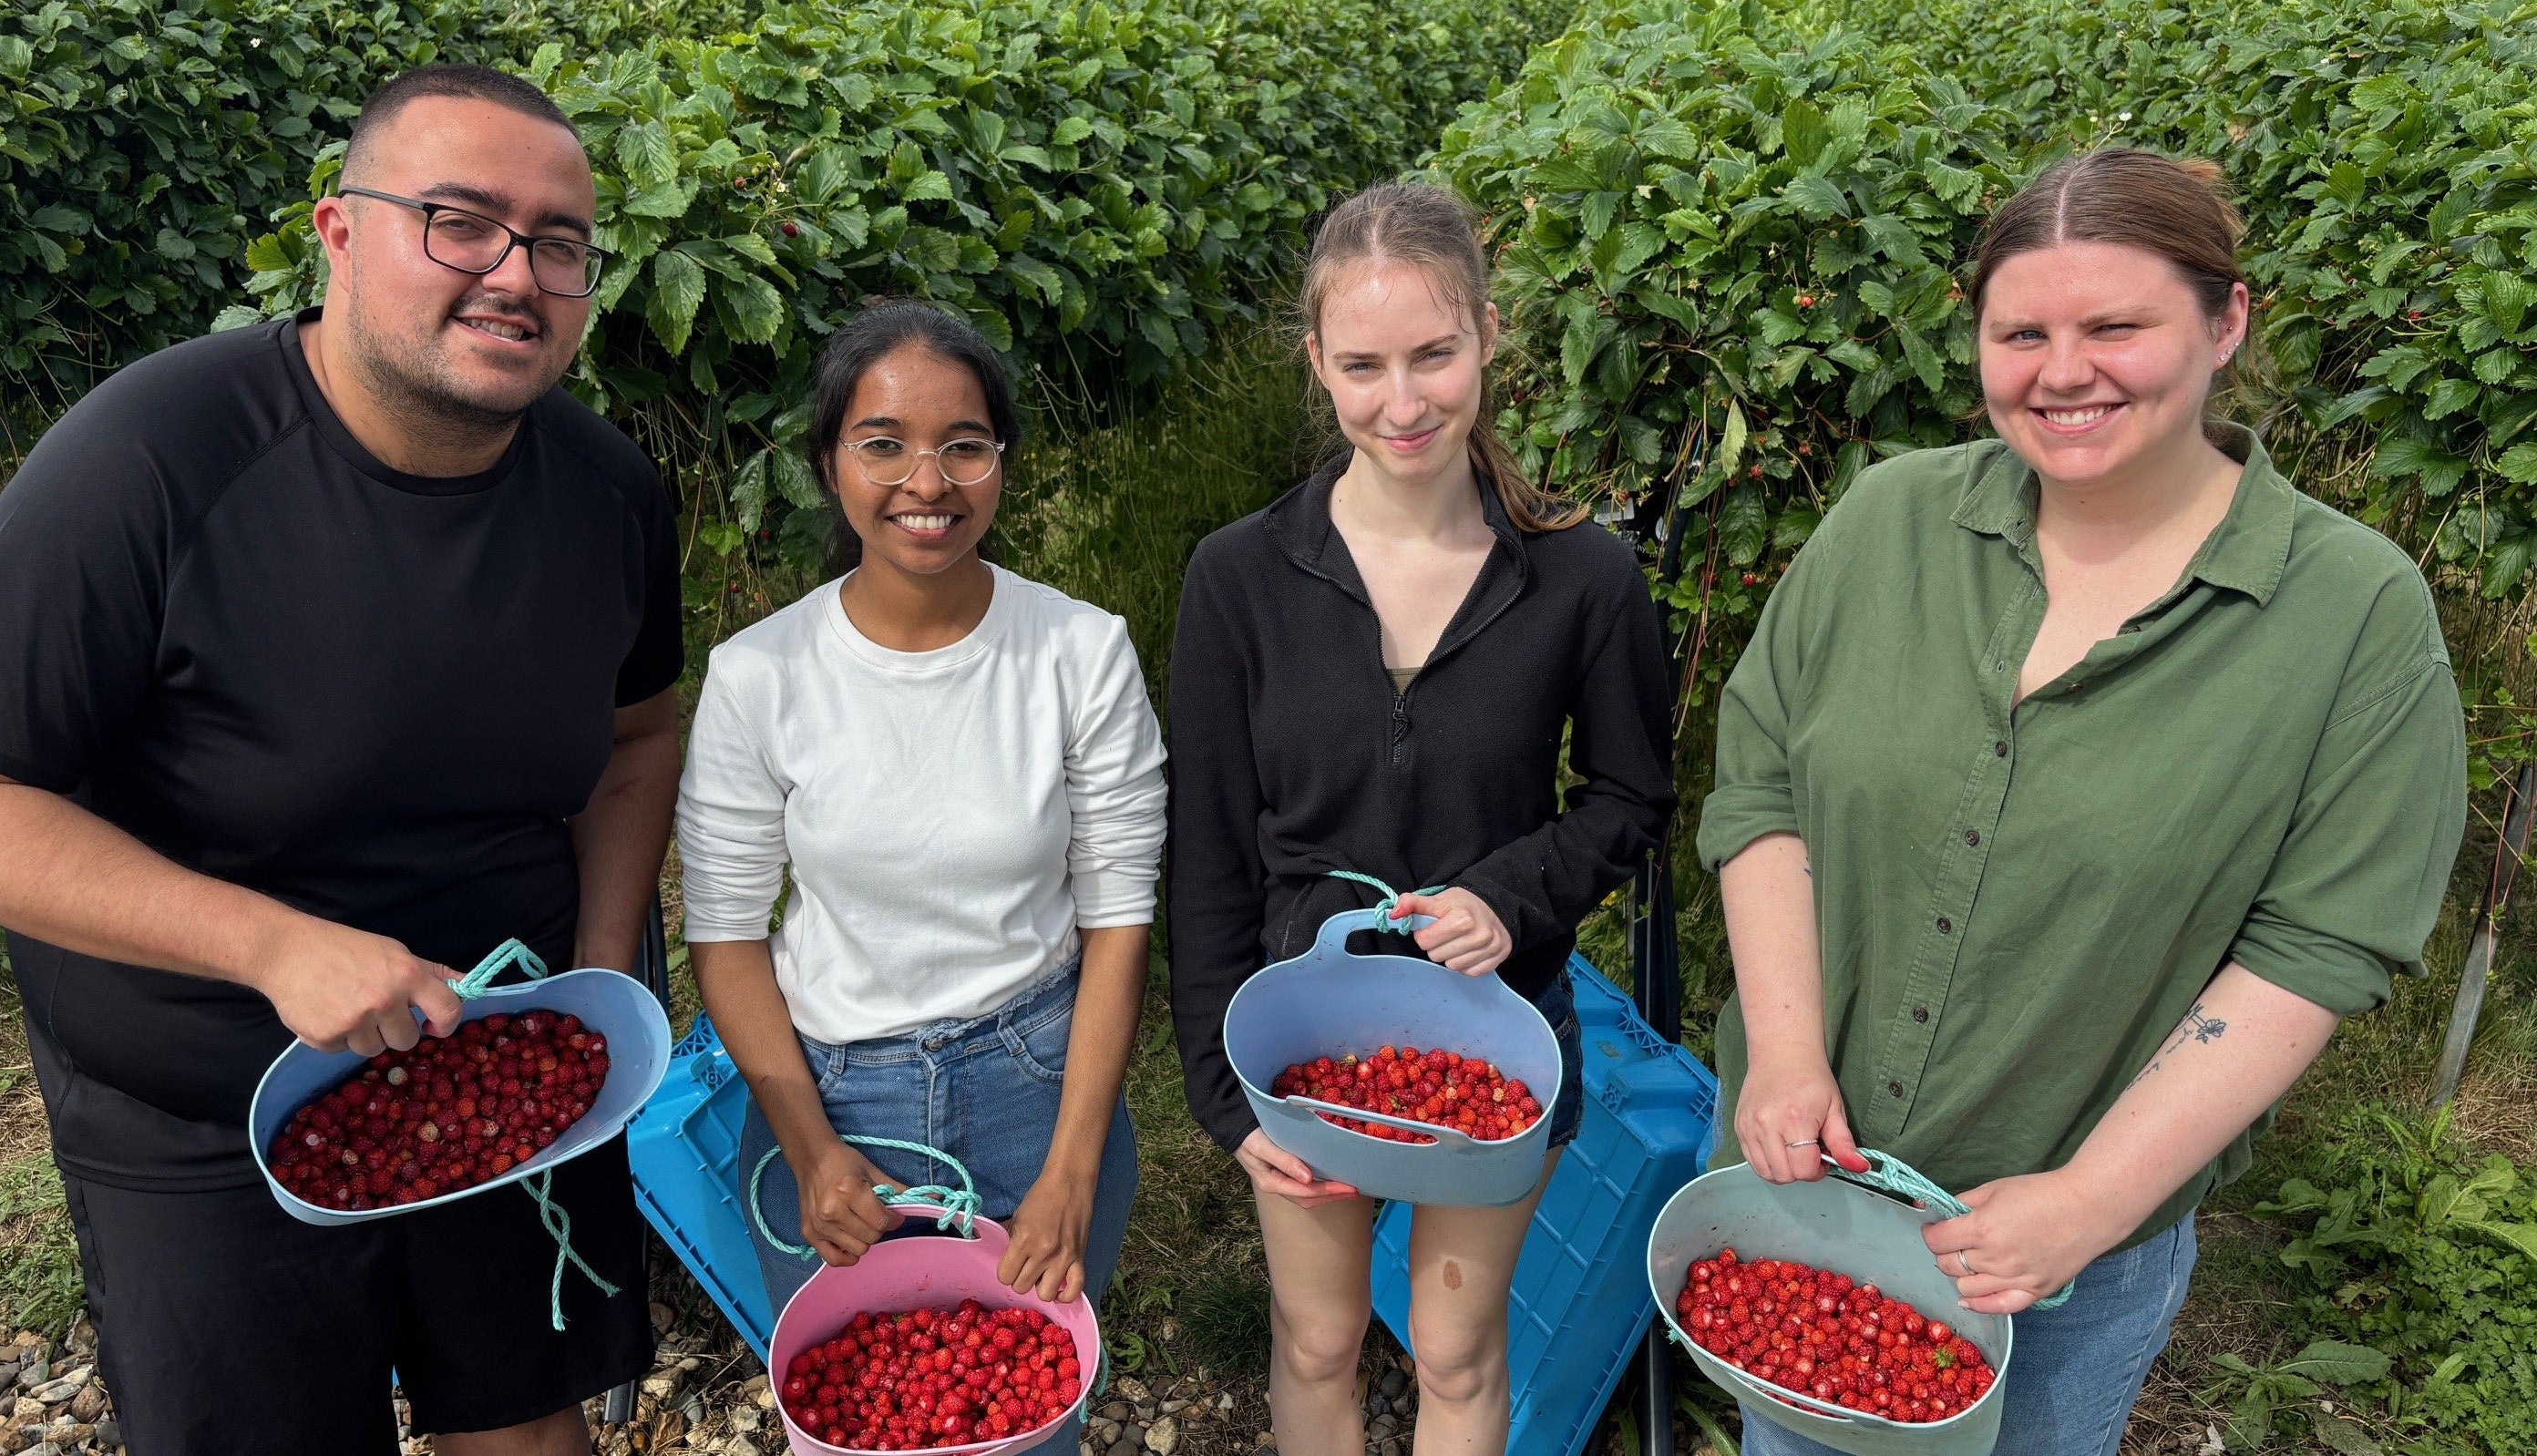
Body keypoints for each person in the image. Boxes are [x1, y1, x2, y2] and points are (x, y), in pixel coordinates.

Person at [0, 64, 681, 1456]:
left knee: (525, 1426)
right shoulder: (148, 462)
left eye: (561, 243)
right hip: (215, 1110)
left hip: (501, 1063)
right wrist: (277, 947)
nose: (516, 273)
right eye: (459, 221)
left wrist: (585, 981)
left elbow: (638, 737)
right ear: (337, 232)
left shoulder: (609, 494)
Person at [1701, 149, 2467, 1454]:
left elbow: (2318, 945)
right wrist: (1783, 1054)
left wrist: (2089, 1201)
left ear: (2226, 323)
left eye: (2117, 326)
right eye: (2023, 333)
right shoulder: (1889, 523)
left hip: (2063, 1262)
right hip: (1803, 1193)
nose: (2065, 372)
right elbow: (1762, 779)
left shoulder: (2354, 615)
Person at [1166, 182, 1677, 1456]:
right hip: (1304, 1032)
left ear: (1490, 338)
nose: (1404, 402)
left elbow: (1629, 799)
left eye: (1435, 355)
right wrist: (1227, 1101)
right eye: (1365, 366)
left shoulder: (1582, 578)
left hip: (1496, 1035)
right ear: (1318, 367)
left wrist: (1510, 900)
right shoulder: (1239, 578)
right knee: (1319, 1339)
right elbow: (1212, 849)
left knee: (1453, 1347)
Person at [674, 303, 1160, 1401]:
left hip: (1036, 1080)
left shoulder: (1079, 652)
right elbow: (728, 932)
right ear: (829, 464)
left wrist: (1073, 1163)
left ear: (1002, 463)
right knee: (861, 1407)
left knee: (1019, 1405)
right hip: (831, 1090)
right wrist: (807, 1148)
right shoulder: (762, 674)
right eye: (883, 442)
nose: (926, 483)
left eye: (965, 445)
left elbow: (1119, 917)